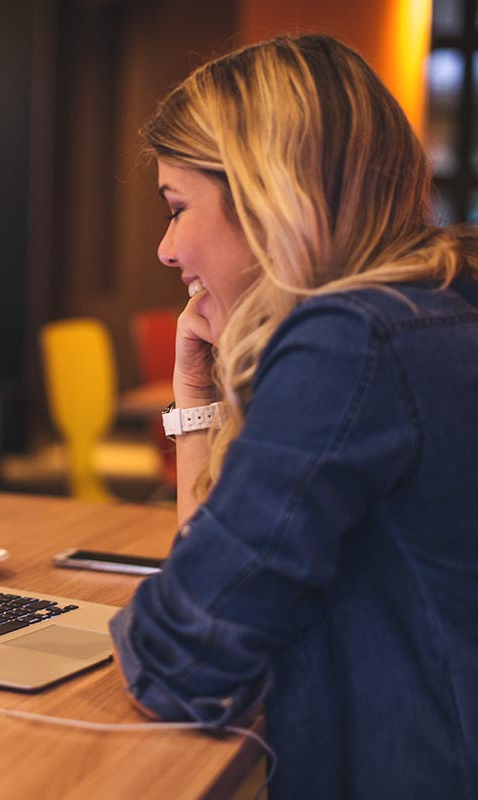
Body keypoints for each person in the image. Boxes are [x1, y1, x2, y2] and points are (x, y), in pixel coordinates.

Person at [107, 34, 478, 799]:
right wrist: (194, 398)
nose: (165, 249)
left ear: (270, 195)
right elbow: (212, 589)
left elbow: (184, 660)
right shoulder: (436, 306)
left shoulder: (352, 339)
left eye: (178, 210)